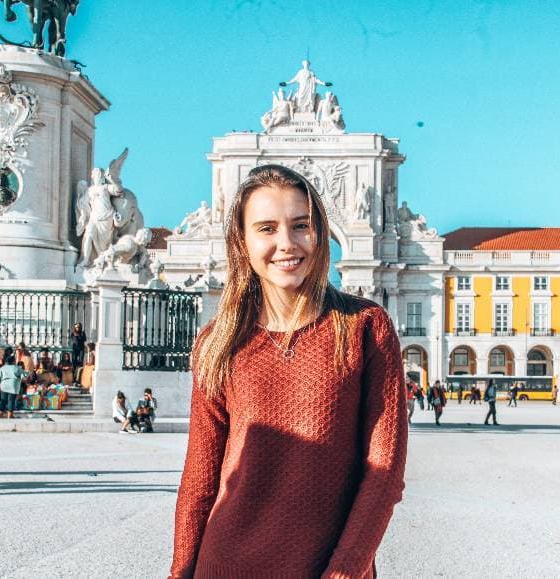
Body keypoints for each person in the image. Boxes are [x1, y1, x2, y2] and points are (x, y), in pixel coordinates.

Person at [171, 165, 407, 579]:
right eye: (266, 228)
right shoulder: (218, 341)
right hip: (225, 564)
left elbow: (384, 472)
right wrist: (179, 572)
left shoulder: (366, 326)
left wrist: (345, 571)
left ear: (320, 233)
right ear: (241, 243)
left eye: (301, 225)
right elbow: (199, 479)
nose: (287, 243)